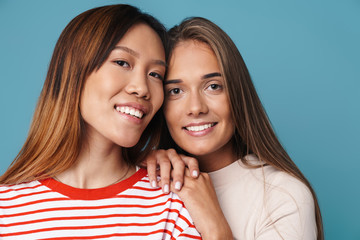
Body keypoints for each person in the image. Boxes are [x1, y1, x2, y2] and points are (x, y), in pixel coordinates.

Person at [0, 5, 201, 239]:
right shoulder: (6, 209)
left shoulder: (173, 205)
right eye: (122, 63)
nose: (142, 89)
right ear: (74, 71)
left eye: (155, 74)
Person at [147, 17, 324, 240]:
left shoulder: (283, 195)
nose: (195, 108)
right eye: (175, 91)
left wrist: (215, 227)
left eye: (213, 86)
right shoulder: (150, 181)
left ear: (238, 94)